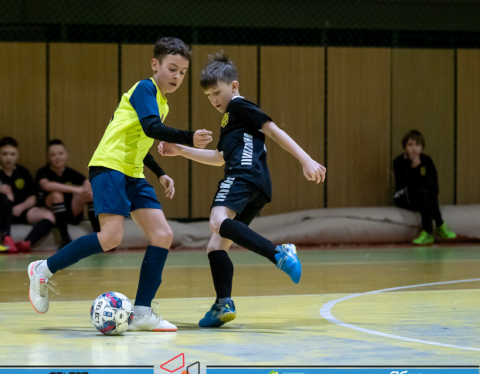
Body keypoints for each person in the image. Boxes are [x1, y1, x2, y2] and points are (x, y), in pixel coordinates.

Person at [27, 37, 213, 332]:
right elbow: (152, 128)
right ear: (155, 64)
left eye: (183, 72)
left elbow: (140, 141)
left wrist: (160, 172)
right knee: (111, 237)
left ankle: (142, 312)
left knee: (163, 235)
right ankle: (42, 269)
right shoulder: (144, 89)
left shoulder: (162, 103)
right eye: (172, 69)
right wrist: (189, 137)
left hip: (133, 173)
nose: (177, 76)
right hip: (110, 167)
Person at [158, 52, 326, 327]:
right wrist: (180, 150)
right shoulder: (230, 119)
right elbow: (219, 158)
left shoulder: (239, 106)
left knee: (217, 221)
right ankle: (223, 305)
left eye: (216, 92)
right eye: (208, 96)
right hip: (257, 184)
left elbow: (272, 129)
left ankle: (278, 253)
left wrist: (305, 159)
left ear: (233, 86)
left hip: (242, 175)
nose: (213, 99)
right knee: (216, 246)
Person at [0, 137, 55, 253]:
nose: (9, 158)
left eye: (12, 154)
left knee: (49, 216)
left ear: (17, 155)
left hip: (20, 211)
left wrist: (21, 207)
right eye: (5, 154)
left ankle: (26, 242)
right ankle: (6, 238)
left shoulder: (23, 172)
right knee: (4, 201)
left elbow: (33, 197)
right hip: (1, 214)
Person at [393, 130, 456, 245]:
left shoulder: (427, 161)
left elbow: (435, 187)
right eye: (410, 145)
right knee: (422, 190)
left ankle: (427, 232)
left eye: (417, 145)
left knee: (428, 185)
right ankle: (439, 224)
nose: (414, 148)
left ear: (422, 147)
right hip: (404, 197)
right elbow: (404, 184)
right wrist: (413, 168)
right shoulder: (399, 162)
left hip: (423, 196)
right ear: (404, 147)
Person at [35, 139, 99, 249]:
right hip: (52, 215)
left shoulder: (71, 172)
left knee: (89, 193)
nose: (57, 157)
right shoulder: (43, 172)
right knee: (56, 195)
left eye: (60, 153)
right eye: (53, 155)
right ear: (48, 158)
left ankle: (99, 234)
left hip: (71, 212)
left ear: (66, 155)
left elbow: (86, 182)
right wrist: (75, 189)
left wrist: (86, 187)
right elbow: (46, 185)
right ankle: (64, 238)